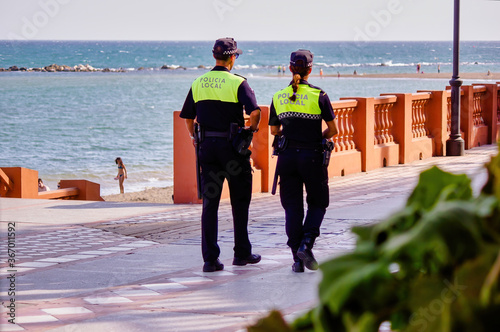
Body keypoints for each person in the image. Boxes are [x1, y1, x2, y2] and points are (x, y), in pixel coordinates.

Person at [180, 37, 262, 272]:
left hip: (207, 148)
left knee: (210, 204)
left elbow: (187, 117)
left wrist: (194, 136)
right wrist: (250, 131)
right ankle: (242, 253)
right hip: (233, 150)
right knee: (240, 201)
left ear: (214, 56)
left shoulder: (199, 82)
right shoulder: (238, 82)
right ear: (233, 57)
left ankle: (210, 260)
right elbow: (254, 113)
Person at [269, 49, 338, 273]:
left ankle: (297, 259)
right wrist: (318, 138)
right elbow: (334, 130)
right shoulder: (320, 96)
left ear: (290, 68)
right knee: (318, 203)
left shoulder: (278, 96)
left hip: (287, 158)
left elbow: (274, 130)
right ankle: (306, 244)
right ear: (310, 69)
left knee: (292, 208)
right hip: (312, 158)